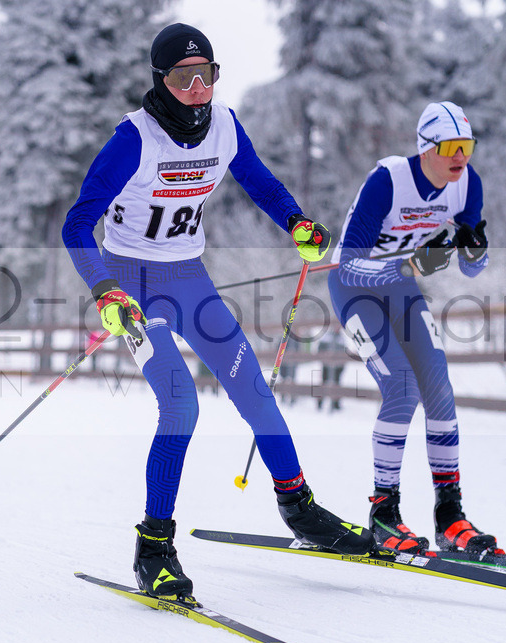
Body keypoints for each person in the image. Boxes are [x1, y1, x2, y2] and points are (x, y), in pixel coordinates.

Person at [61, 24, 374, 601]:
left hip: (188, 278)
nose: (197, 88)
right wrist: (105, 290)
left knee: (253, 388)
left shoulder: (225, 125)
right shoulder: (135, 139)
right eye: (183, 78)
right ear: (160, 80)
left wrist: (297, 223)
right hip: (132, 286)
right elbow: (77, 224)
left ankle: (300, 508)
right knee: (181, 402)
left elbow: (260, 182)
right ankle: (153, 548)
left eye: (205, 74)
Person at [327, 101, 499, 557]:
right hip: (354, 289)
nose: (460, 156)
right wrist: (410, 265)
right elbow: (349, 266)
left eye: (467, 146)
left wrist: (475, 248)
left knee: (438, 384)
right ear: (426, 149)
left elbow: (473, 269)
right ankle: (384, 513)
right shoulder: (388, 180)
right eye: (450, 147)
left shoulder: (467, 185)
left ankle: (450, 517)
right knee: (402, 387)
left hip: (400, 287)